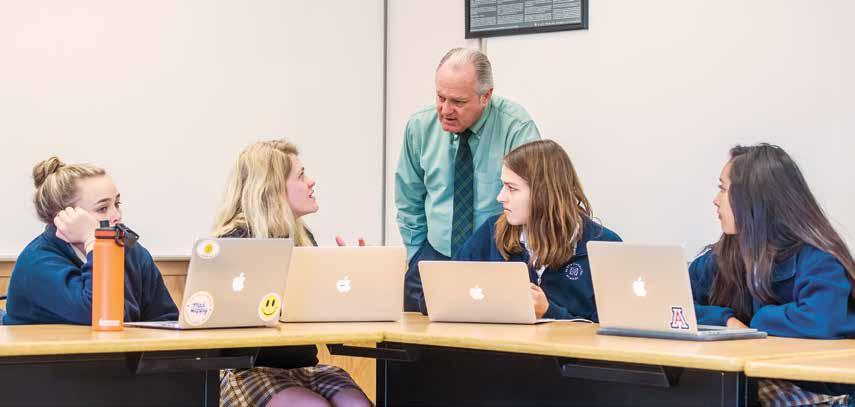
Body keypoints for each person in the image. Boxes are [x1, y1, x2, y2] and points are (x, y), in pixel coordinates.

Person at [690, 143, 855, 406]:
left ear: (754, 200)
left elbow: (820, 321)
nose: (715, 198)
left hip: (830, 393)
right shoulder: (727, 255)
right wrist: (725, 320)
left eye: (723, 188)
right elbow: (674, 303)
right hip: (758, 384)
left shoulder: (819, 259)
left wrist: (759, 319)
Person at [213, 139, 370, 407]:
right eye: (301, 175)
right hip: (245, 371)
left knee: (357, 404)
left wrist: (352, 274)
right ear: (272, 188)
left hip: (303, 368)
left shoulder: (303, 237)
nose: (311, 182)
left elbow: (322, 311)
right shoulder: (233, 241)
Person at [396, 47, 541, 311]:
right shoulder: (419, 126)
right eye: (440, 97)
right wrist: (416, 253)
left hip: (497, 256)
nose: (445, 110)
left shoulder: (516, 127)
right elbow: (408, 198)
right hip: (435, 254)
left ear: (486, 96)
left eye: (458, 102)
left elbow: (534, 200)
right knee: (411, 345)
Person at [450, 140, 621, 320]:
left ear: (544, 194)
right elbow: (442, 292)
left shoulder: (604, 246)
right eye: (503, 186)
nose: (500, 197)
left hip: (564, 349)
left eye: (512, 188)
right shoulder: (491, 232)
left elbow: (612, 328)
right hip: (499, 346)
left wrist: (549, 311)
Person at [3, 157, 178, 325]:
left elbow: (167, 319)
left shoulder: (132, 252)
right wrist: (93, 241)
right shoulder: (36, 263)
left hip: (118, 354)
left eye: (117, 204)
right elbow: (101, 315)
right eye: (102, 208)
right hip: (53, 356)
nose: (117, 216)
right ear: (65, 216)